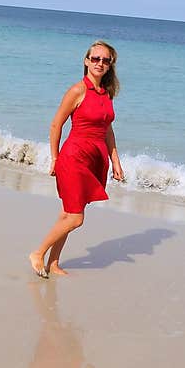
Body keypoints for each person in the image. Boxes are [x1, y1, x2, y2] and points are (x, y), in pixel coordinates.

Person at [29, 40, 125, 278]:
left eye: (105, 60)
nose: (100, 63)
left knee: (68, 213)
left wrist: (116, 162)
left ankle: (53, 263)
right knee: (75, 218)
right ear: (86, 61)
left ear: (110, 65)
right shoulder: (77, 90)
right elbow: (56, 124)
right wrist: (54, 157)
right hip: (73, 158)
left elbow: (108, 130)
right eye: (95, 59)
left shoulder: (106, 93)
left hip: (93, 161)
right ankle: (38, 253)